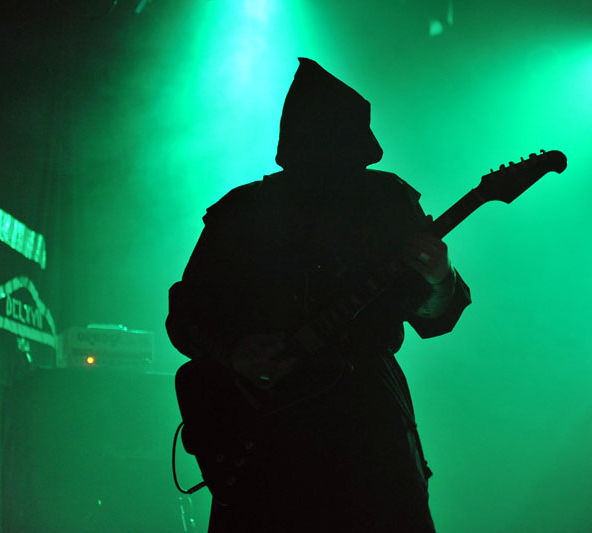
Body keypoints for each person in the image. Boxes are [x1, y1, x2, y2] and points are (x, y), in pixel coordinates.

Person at [166, 58, 471, 533]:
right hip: (268, 437)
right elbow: (186, 313)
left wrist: (440, 276)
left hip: (366, 425)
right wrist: (235, 353)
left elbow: (435, 316)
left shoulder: (388, 202)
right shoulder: (243, 213)